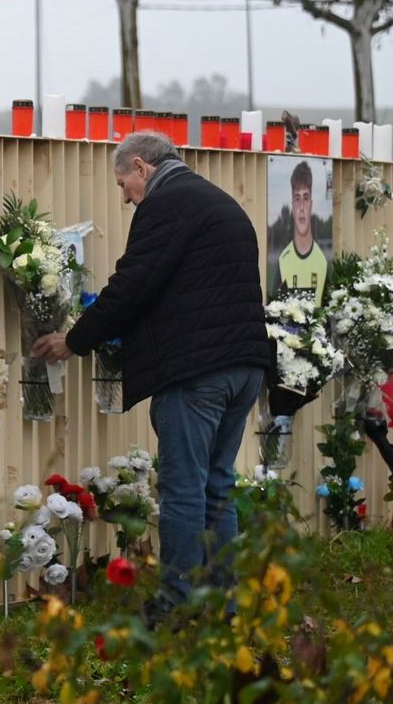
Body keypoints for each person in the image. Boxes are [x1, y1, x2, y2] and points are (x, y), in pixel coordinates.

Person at [31, 131, 272, 619]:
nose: (125, 196)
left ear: (142, 167)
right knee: (217, 486)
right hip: (245, 367)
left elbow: (131, 286)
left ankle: (175, 606)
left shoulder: (166, 205)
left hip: (197, 374)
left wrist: (74, 341)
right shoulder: (219, 201)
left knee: (184, 488)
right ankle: (222, 603)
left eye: (124, 183)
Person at [275, 159, 328, 305]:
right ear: (292, 205)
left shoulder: (322, 261)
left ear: (311, 203)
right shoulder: (283, 261)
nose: (302, 207)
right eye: (297, 199)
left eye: (305, 198)